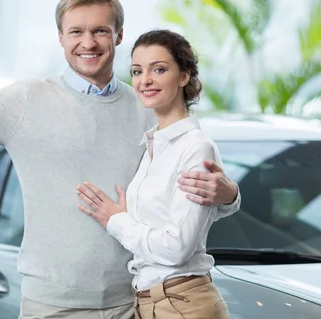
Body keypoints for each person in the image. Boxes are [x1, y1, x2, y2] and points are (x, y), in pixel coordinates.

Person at [0, 0, 240, 319]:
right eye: (76, 32)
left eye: (100, 30)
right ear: (60, 38)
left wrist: (229, 196)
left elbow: (179, 202)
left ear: (118, 36)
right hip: (54, 306)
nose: (88, 43)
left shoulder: (147, 106)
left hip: (136, 304)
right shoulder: (25, 100)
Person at [77, 29, 231, 319]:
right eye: (137, 71)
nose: (144, 80)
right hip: (151, 302)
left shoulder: (195, 147)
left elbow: (176, 249)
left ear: (184, 76)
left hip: (183, 302)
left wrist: (117, 221)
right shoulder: (153, 143)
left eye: (158, 69)